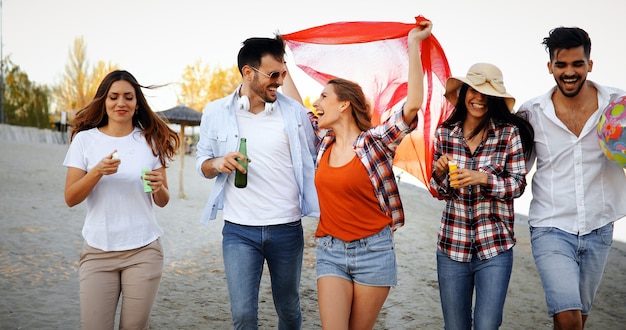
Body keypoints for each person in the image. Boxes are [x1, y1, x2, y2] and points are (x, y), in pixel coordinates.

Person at [282, 20, 433, 329]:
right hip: (331, 250)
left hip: (373, 252)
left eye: (324, 97)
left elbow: (413, 104)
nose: (316, 102)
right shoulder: (323, 141)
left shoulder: (375, 142)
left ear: (344, 105)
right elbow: (297, 108)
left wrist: (414, 45)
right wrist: (282, 63)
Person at [195, 35, 319, 330]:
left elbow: (320, 153)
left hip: (287, 229)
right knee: (243, 314)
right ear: (248, 73)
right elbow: (202, 163)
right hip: (239, 231)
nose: (279, 81)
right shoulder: (215, 112)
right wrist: (217, 163)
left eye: (283, 74)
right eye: (273, 75)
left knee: (288, 309)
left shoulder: (296, 114)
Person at [517, 27, 626, 330]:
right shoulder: (532, 112)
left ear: (590, 64)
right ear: (550, 66)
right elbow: (515, 168)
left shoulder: (618, 106)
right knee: (568, 318)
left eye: (577, 64)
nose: (569, 72)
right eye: (561, 65)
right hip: (550, 226)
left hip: (599, 226)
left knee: (579, 316)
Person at [63, 70, 180, 329]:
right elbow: (70, 198)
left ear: (137, 102)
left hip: (143, 250)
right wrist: (97, 172)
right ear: (104, 101)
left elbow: (163, 200)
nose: (121, 103)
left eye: (128, 97)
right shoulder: (85, 140)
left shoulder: (151, 140)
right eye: (114, 97)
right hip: (97, 250)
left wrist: (159, 187)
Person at [429, 63, 534, 329]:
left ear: (495, 99)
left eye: (487, 94)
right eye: (474, 91)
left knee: (487, 325)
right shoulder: (444, 133)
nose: (479, 99)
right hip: (452, 245)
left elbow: (518, 185)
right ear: (464, 93)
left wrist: (484, 179)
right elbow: (440, 192)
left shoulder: (508, 135)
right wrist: (441, 173)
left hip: (495, 247)